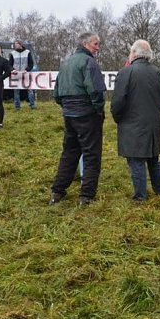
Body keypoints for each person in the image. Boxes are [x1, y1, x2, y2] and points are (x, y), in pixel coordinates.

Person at [50, 32, 106, 207]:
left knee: (69, 153)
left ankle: (57, 191)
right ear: (85, 43)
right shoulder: (89, 63)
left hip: (69, 114)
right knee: (91, 154)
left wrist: (67, 107)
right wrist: (98, 110)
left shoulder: (65, 62)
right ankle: (86, 195)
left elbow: (56, 92)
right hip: (87, 114)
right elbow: (96, 91)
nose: (98, 48)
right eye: (96, 44)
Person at [111, 40, 160, 202]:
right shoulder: (156, 71)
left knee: (136, 160)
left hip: (132, 124)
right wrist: (155, 111)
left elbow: (117, 102)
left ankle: (140, 197)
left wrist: (118, 118)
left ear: (134, 53)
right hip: (152, 123)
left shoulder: (125, 73)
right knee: (153, 158)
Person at [8, 40, 36, 110]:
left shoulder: (27, 52)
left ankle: (32, 105)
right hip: (16, 75)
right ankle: (17, 107)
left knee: (30, 90)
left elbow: (31, 64)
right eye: (15, 44)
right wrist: (12, 70)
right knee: (16, 91)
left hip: (26, 74)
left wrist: (27, 70)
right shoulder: (12, 53)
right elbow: (9, 65)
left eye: (16, 44)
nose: (15, 46)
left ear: (20, 44)